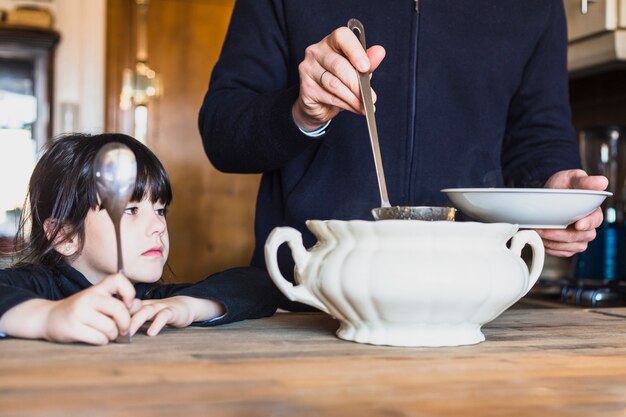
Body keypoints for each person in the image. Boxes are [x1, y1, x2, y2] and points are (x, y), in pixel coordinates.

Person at [199, 0, 608, 304]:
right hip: (304, 296)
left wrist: (556, 186)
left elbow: (538, 137)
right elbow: (222, 134)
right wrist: (301, 112)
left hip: (476, 305)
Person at [0, 133, 279, 344]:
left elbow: (260, 286)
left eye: (160, 210)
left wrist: (188, 306)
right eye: (131, 210)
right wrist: (47, 317)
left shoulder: (149, 301)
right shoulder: (38, 286)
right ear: (64, 235)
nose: (158, 225)